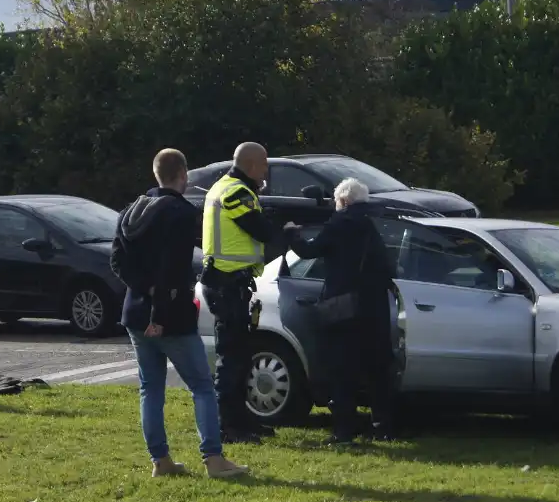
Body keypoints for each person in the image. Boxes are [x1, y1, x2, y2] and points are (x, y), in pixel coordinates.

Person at [111, 148, 249, 479]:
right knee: (202, 385)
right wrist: (159, 310)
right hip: (170, 315)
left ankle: (161, 461)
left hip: (135, 312)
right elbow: (173, 269)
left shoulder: (131, 210)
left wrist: (144, 291)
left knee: (151, 388)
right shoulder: (180, 214)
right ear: (183, 175)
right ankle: (213, 459)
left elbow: (117, 262)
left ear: (156, 174)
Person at [285, 178, 399, 444]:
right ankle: (383, 427)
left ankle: (344, 429)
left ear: (344, 201)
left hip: (346, 308)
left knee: (342, 369)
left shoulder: (339, 224)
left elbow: (309, 250)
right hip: (375, 307)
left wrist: (291, 232)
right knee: (377, 369)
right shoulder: (373, 225)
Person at [199, 142, 285, 444]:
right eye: (263, 165)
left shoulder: (224, 187)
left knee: (240, 355)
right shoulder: (235, 191)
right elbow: (258, 229)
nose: (266, 172)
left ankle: (242, 420)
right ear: (250, 165)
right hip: (226, 284)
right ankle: (228, 426)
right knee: (231, 358)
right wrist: (286, 233)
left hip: (230, 283)